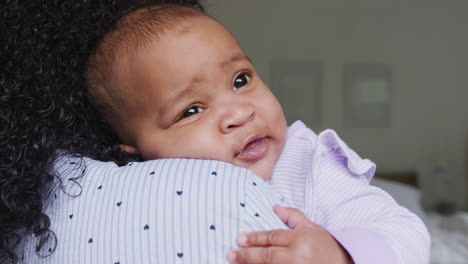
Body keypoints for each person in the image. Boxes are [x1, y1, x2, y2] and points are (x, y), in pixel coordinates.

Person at [0, 1, 430, 264]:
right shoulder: (147, 193)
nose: (238, 113)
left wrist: (342, 254)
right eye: (191, 110)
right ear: (134, 150)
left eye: (240, 80)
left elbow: (403, 230)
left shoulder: (309, 161)